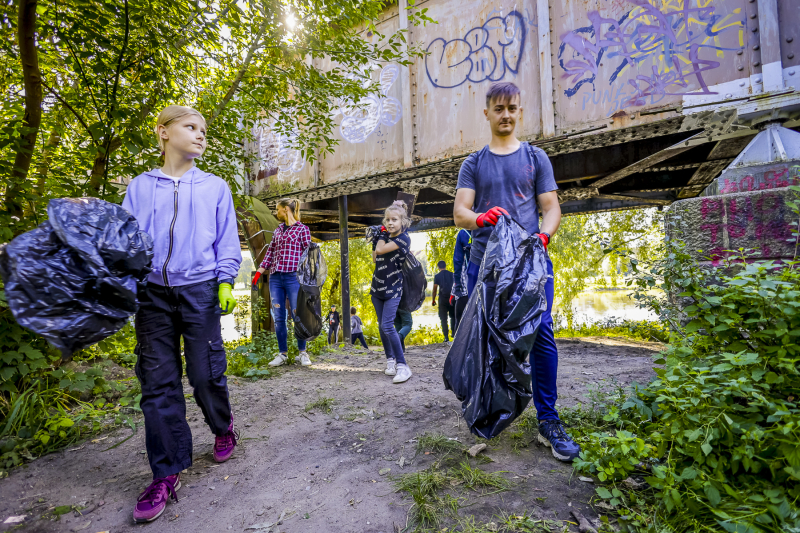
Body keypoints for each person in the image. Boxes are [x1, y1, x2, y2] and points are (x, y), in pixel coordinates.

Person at [122, 105, 241, 523]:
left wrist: (225, 281)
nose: (200, 135)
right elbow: (127, 244)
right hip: (151, 294)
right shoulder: (139, 187)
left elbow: (227, 239)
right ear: (163, 133)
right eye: (190, 127)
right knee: (157, 385)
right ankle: (166, 472)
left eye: (204, 130)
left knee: (206, 374)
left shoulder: (214, 187)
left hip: (200, 290)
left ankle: (223, 427)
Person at [453, 81, 581, 463]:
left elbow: (551, 207)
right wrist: (480, 217)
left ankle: (549, 421)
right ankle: (484, 410)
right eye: (498, 108)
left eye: (512, 108)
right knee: (483, 340)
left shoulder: (536, 157)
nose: (505, 114)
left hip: (530, 266)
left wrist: (543, 236)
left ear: (518, 111)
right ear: (487, 113)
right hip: (486, 267)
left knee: (541, 336)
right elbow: (460, 213)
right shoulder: (473, 163)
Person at [252, 198, 312, 367]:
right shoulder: (278, 230)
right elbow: (269, 254)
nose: (275, 213)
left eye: (277, 209)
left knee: (297, 315)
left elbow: (308, 255)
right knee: (279, 318)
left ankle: (302, 353)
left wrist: (308, 280)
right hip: (276, 278)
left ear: (286, 209)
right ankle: (282, 354)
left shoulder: (303, 230)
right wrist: (258, 273)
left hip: (294, 277)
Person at [371, 201, 413, 384]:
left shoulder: (404, 238)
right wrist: (376, 238)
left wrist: (380, 234)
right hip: (377, 288)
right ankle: (390, 361)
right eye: (387, 219)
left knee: (388, 325)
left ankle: (403, 366)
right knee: (382, 325)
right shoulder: (383, 237)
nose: (390, 223)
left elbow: (381, 250)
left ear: (402, 221)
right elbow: (375, 257)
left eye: (394, 219)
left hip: (393, 288)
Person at [451, 229, 471, 331]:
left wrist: (457, 285)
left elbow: (457, 260)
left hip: (469, 281)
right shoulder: (492, 226)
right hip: (490, 279)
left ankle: (459, 341)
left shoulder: (463, 233)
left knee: (460, 316)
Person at [431, 260, 455, 342]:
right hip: (452, 298)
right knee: (453, 316)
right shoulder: (452, 274)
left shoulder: (437, 276)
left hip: (442, 300)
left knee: (443, 318)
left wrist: (433, 300)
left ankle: (446, 337)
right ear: (445, 266)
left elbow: (435, 289)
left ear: (438, 267)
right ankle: (454, 333)